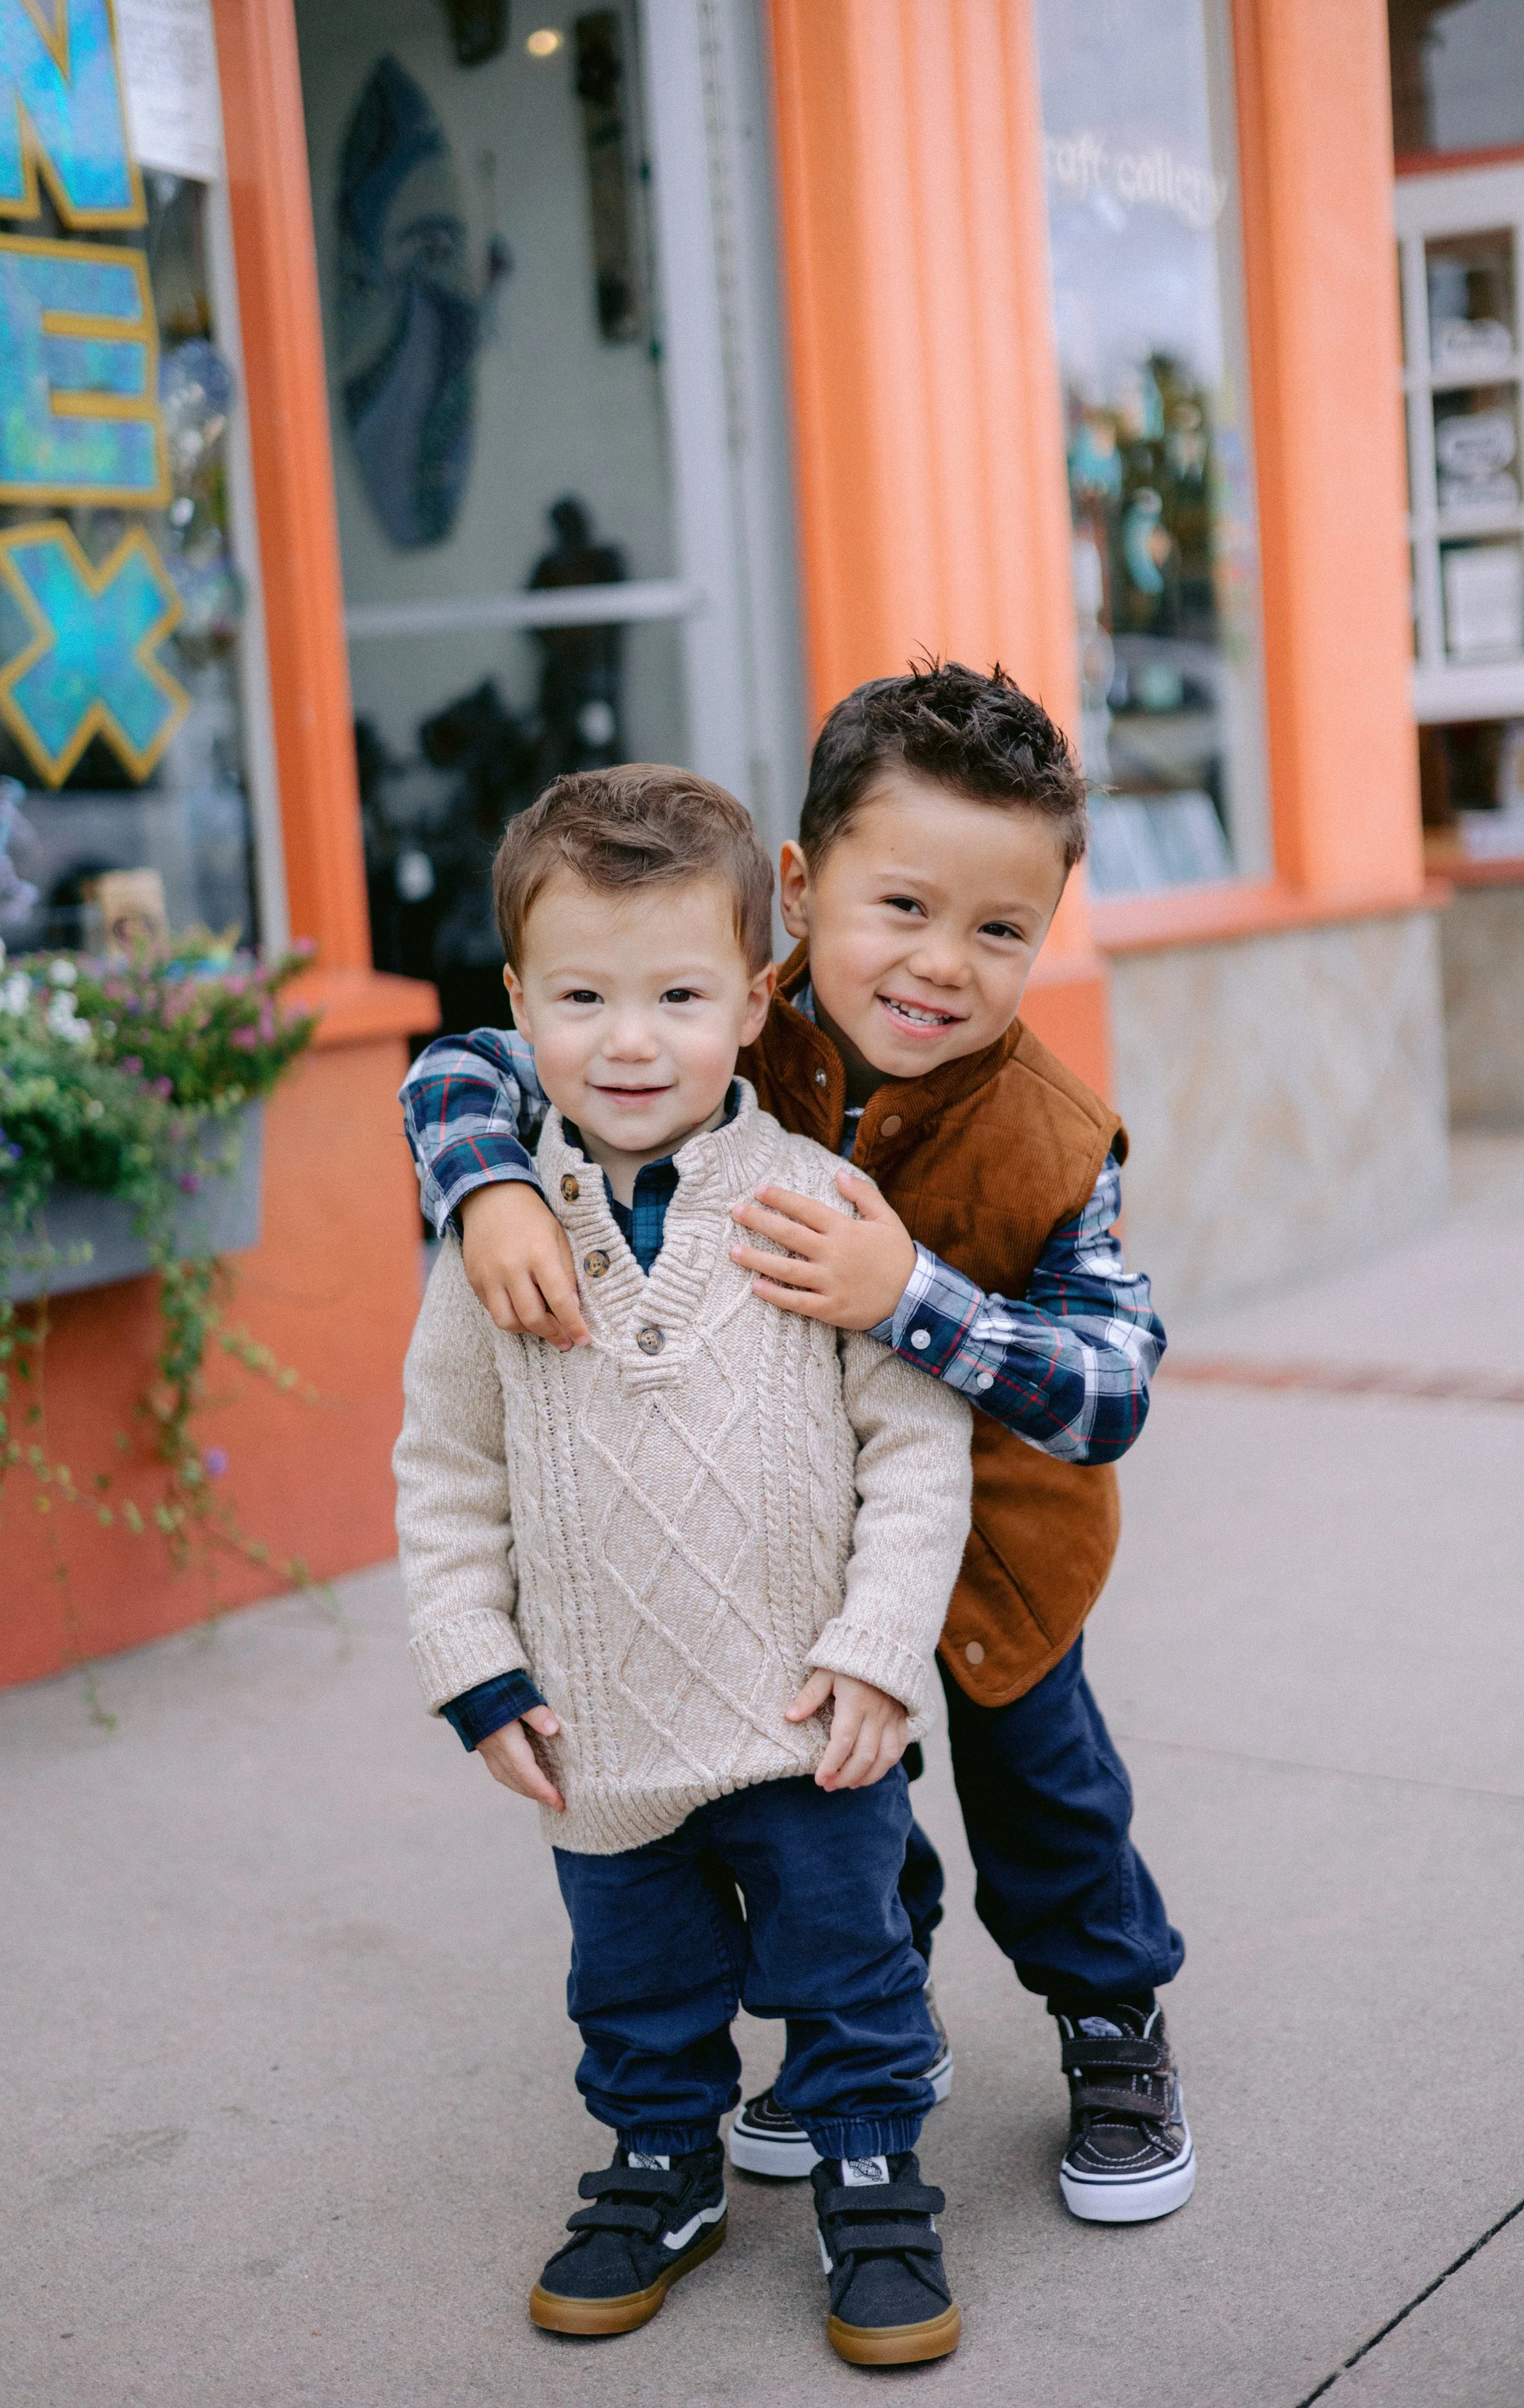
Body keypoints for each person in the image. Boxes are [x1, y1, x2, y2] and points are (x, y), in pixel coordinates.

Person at [398, 661, 1193, 2231]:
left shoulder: (1050, 1133)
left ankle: (1111, 2022)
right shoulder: (718, 1019)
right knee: (832, 1803)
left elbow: (1109, 1389)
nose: (939, 963)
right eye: (900, 906)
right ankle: (875, 2024)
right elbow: (471, 1060)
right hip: (770, 1543)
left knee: (1046, 1805)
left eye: (999, 930)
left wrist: (912, 1297)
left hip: (995, 1550)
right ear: (800, 890)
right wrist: (484, 1185)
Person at [394, 765, 974, 2364]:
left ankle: (871, 2176)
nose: (629, 1041)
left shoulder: (814, 1206)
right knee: (633, 1983)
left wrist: (876, 1650)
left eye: (676, 996)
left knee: (848, 1967)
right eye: (581, 998)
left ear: (755, 998)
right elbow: (445, 1472)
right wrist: (475, 1666)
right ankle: (662, 2167)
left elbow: (915, 1451)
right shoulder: (496, 1233)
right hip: (599, 1722)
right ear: (517, 1004)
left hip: (805, 1713)